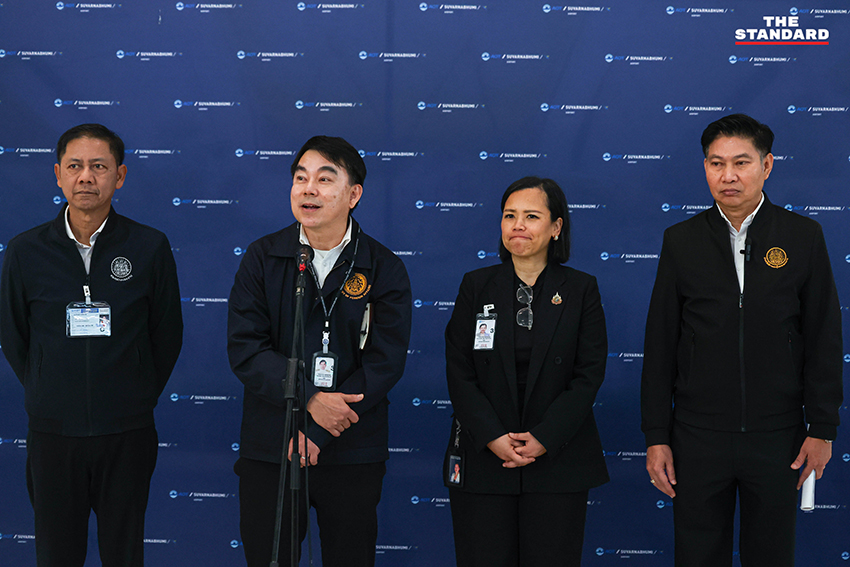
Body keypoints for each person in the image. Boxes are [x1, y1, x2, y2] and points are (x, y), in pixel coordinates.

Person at [641, 114, 843, 566]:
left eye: (741, 163)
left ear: (767, 165)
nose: (727, 176)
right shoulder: (681, 240)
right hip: (697, 436)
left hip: (779, 437)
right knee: (696, 555)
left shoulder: (803, 236)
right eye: (715, 163)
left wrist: (823, 428)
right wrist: (657, 435)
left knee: (771, 556)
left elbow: (823, 336)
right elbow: (660, 345)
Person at [0, 123, 183, 566]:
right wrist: (46, 387)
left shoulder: (149, 246)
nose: (86, 177)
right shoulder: (25, 251)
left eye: (98, 167)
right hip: (53, 434)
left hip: (126, 433)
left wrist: (133, 393)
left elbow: (166, 335)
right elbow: (13, 334)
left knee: (124, 552)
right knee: (56, 554)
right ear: (58, 174)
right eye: (76, 166)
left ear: (119, 176)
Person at [227, 135, 412, 567]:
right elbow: (246, 349)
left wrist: (322, 430)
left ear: (353, 194)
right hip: (273, 447)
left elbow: (385, 362)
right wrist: (310, 397)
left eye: (324, 179)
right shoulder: (263, 257)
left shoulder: (383, 266)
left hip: (351, 450)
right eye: (300, 178)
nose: (308, 189)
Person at [444, 176, 609, 567]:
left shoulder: (581, 289)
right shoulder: (476, 285)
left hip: (557, 460)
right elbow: (459, 370)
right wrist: (492, 436)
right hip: (485, 457)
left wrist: (543, 437)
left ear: (555, 227)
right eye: (509, 216)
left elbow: (588, 375)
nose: (517, 225)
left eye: (531, 216)